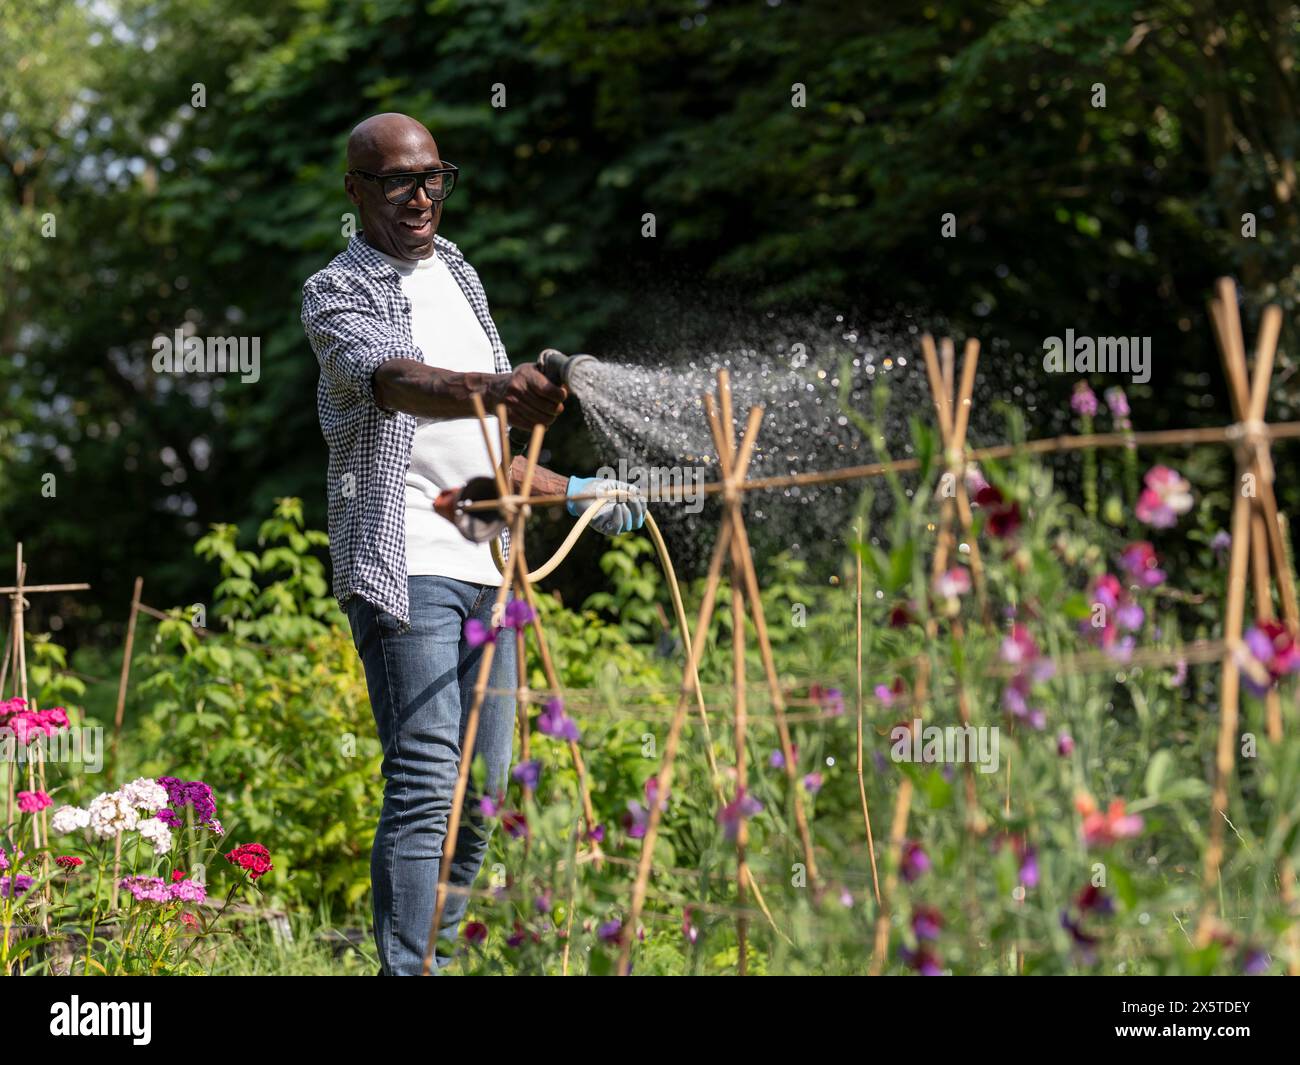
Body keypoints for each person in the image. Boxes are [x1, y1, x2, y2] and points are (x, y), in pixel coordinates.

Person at [301, 112, 645, 975]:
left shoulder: (459, 271)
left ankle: (437, 962)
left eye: (433, 179)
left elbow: (491, 453)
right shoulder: (336, 290)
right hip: (405, 560)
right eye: (396, 182)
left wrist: (574, 492)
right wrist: (499, 386)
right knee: (426, 780)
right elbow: (398, 383)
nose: (420, 197)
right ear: (356, 191)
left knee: (485, 792)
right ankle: (406, 971)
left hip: (487, 565)